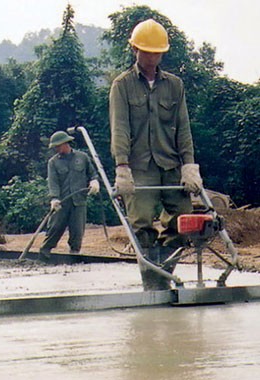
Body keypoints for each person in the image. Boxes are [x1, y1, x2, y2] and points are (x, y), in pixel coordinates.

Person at [109, 19, 203, 289]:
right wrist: (122, 166)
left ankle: (163, 272)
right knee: (141, 226)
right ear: (135, 50)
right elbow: (120, 128)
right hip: (139, 167)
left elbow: (183, 128)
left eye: (157, 52)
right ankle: (153, 286)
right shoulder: (122, 85)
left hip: (170, 162)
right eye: (147, 51)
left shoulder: (174, 85)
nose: (152, 57)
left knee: (183, 223)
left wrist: (189, 165)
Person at [39, 131, 99, 260]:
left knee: (77, 232)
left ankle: (74, 255)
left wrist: (94, 182)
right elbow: (53, 182)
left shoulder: (82, 157)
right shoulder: (53, 162)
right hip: (62, 202)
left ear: (65, 143)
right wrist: (54, 198)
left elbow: (92, 173)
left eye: (57, 146)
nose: (56, 149)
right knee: (54, 228)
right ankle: (44, 253)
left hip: (79, 201)